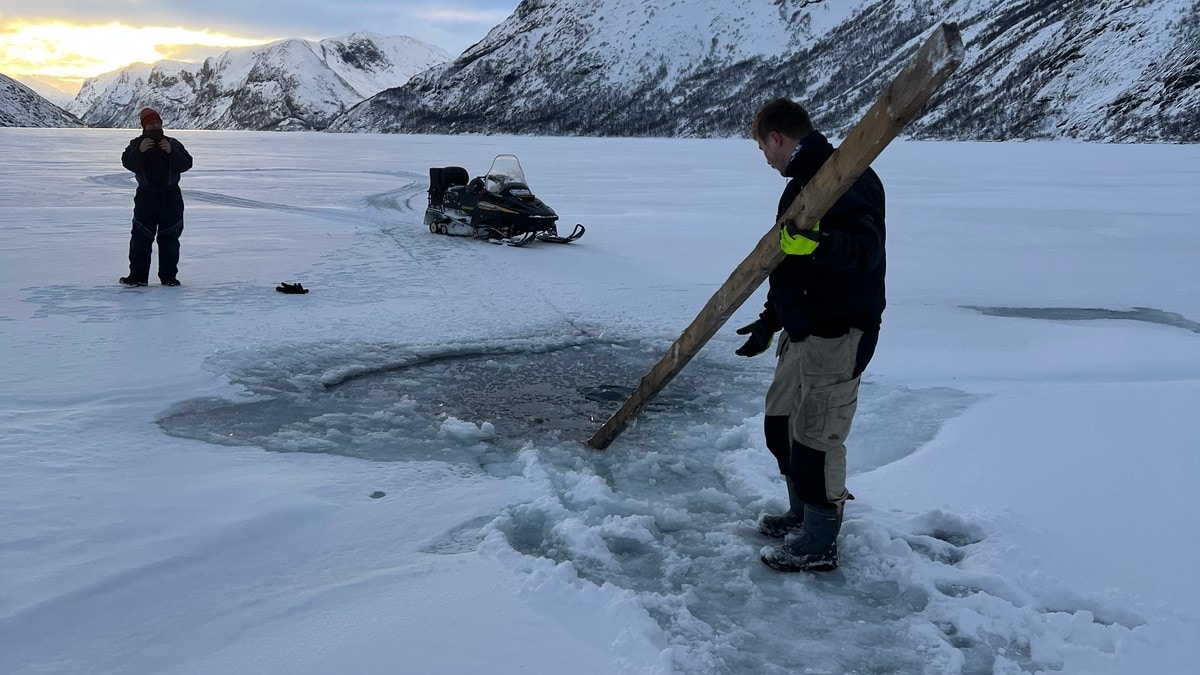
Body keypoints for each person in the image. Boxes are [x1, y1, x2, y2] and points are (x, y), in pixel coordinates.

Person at [735, 98, 886, 573]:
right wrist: (769, 319)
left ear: (776, 138)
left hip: (838, 332)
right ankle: (800, 512)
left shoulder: (848, 176)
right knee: (781, 425)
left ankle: (819, 541)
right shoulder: (800, 184)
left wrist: (820, 246)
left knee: (817, 437)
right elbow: (786, 262)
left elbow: (865, 254)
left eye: (763, 147)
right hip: (800, 329)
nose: (765, 159)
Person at [119, 107, 193, 287]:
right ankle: (137, 277)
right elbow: (128, 163)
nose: (156, 125)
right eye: (152, 123)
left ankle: (169, 278)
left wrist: (171, 152)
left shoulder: (172, 143)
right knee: (140, 237)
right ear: (144, 125)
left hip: (170, 197)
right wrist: (140, 151)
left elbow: (187, 163)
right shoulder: (136, 144)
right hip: (146, 197)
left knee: (170, 238)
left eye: (158, 122)